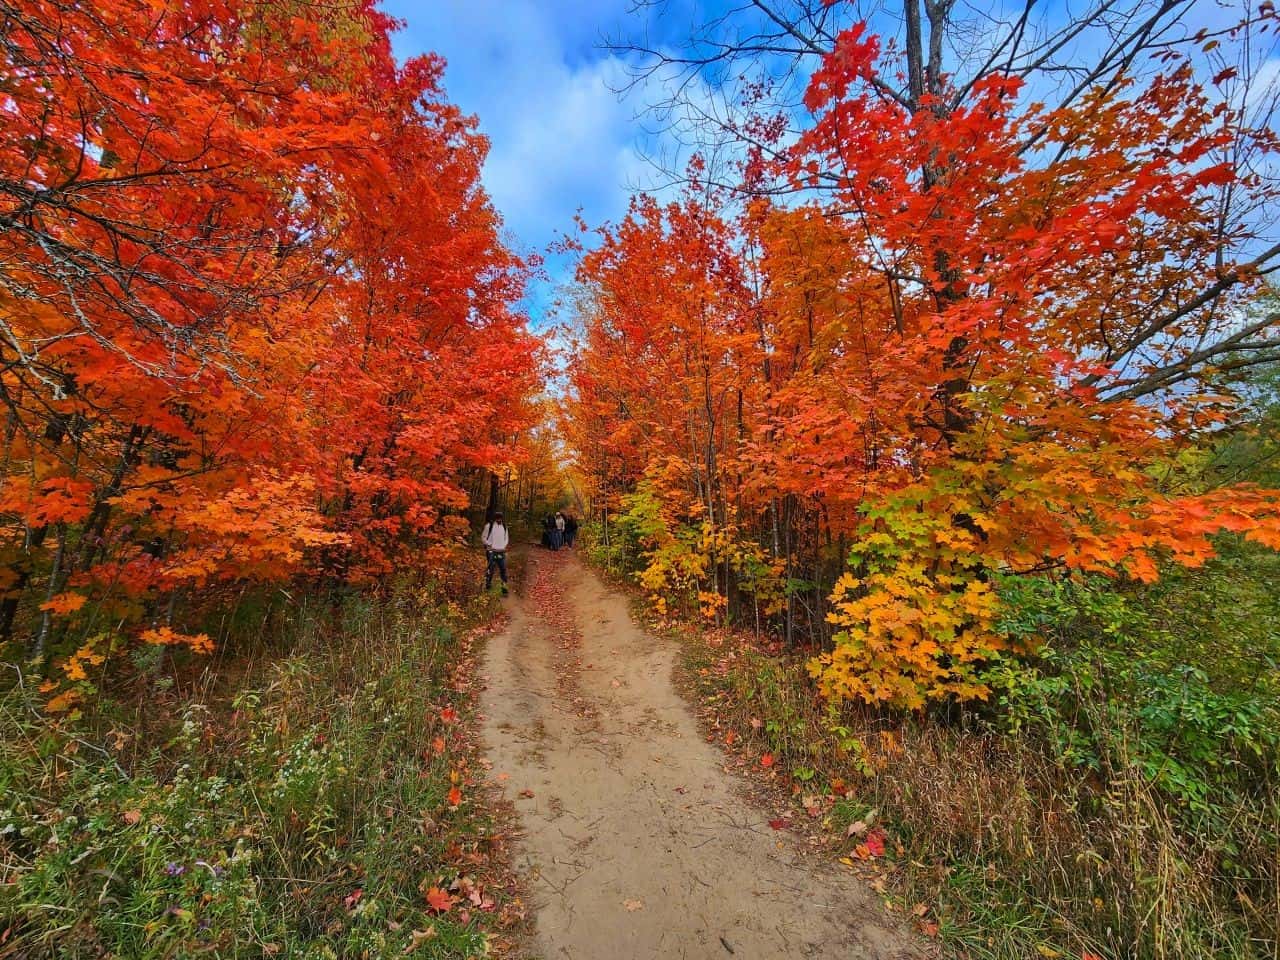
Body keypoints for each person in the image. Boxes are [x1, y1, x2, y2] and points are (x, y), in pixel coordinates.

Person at [481, 512, 509, 594]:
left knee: (503, 569)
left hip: (501, 551)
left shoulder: (504, 526)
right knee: (491, 568)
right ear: (495, 518)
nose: (499, 519)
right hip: (491, 551)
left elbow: (506, 538)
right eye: (497, 518)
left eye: (500, 518)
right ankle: (488, 584)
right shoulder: (489, 526)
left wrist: (503, 546)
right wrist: (490, 544)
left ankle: (504, 586)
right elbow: (483, 538)